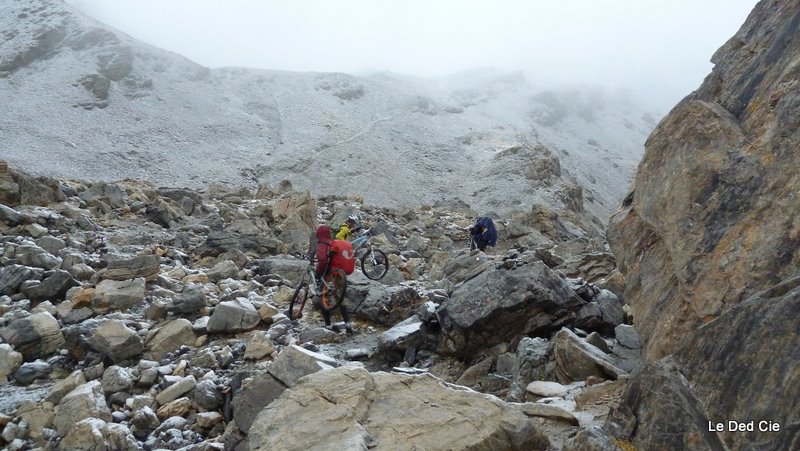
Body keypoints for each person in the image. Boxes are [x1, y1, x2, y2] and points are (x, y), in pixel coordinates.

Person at [309, 224, 354, 333]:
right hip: (339, 273)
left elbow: (322, 261)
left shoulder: (322, 244)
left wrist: (318, 274)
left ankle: (328, 325)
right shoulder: (332, 242)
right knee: (340, 299)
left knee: (322, 298)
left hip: (329, 275)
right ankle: (348, 326)